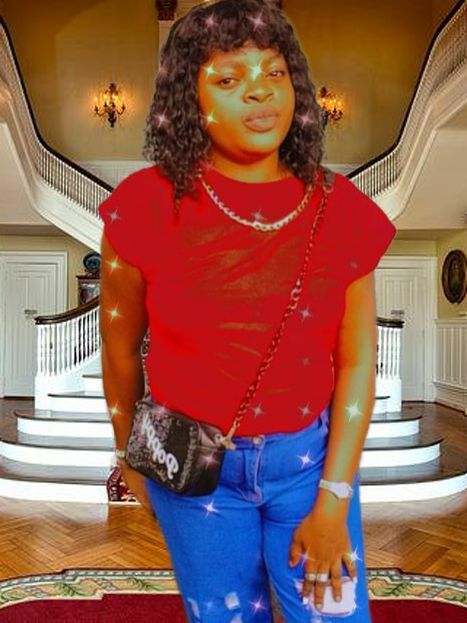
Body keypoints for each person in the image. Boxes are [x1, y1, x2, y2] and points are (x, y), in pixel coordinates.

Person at [98, 1, 396, 621]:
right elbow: (120, 348)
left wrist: (334, 499)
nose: (260, 92)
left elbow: (358, 362)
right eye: (229, 79)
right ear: (189, 97)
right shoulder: (143, 207)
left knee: (335, 615)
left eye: (275, 72)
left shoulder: (341, 208)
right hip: (194, 471)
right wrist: (131, 456)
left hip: (310, 469)